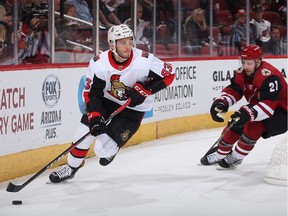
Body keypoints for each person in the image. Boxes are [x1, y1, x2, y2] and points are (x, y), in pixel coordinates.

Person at [49, 24, 175, 183]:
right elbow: (92, 93)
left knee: (101, 152)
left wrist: (145, 89)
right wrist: (95, 117)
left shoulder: (144, 60)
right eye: (123, 43)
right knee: (83, 134)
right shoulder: (99, 64)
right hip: (106, 102)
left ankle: (111, 147)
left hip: (133, 110)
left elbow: (169, 75)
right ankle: (71, 167)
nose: (128, 46)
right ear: (111, 45)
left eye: (130, 41)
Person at [200, 44, 287, 169]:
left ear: (258, 61)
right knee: (235, 123)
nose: (245, 66)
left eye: (249, 63)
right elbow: (235, 91)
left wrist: (248, 113)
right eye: (244, 62)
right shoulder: (242, 73)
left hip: (282, 113)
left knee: (253, 125)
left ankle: (236, 157)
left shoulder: (270, 76)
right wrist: (222, 102)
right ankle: (220, 153)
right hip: (260, 108)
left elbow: (269, 106)